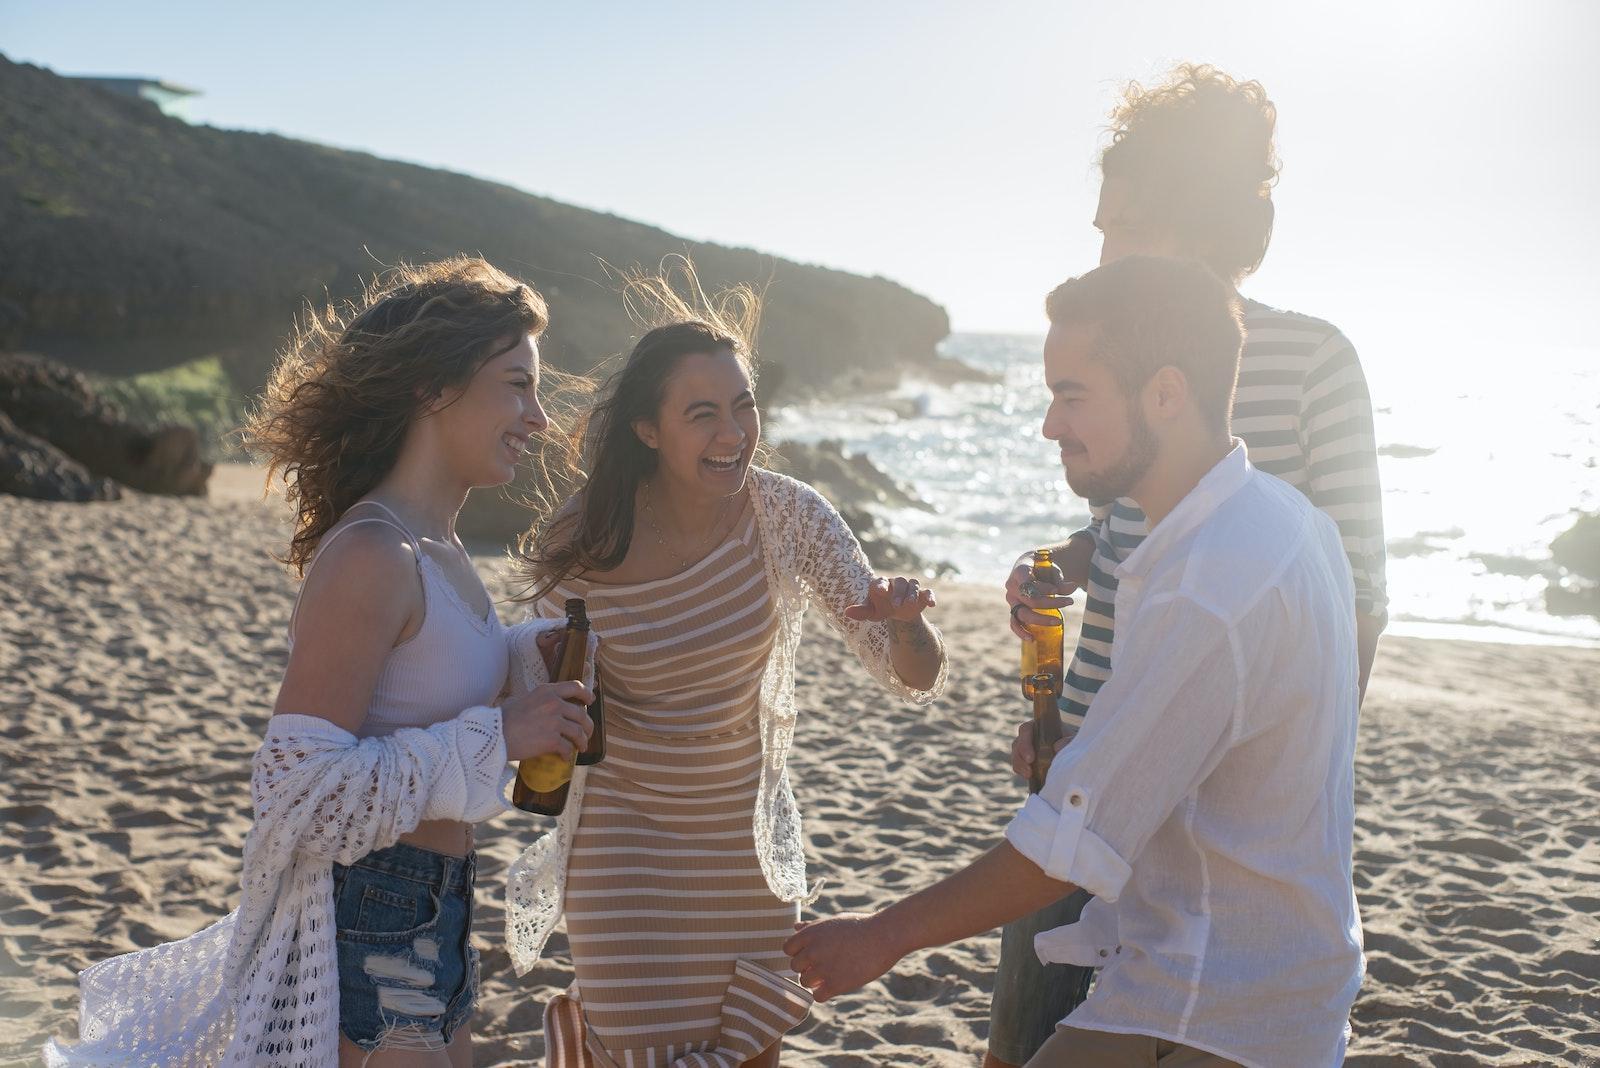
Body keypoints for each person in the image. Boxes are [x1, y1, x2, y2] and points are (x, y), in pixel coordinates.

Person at [785, 256, 1365, 1068]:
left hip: (1218, 1008)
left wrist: (880, 937)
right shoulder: (1287, 521)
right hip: (1250, 981)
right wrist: (1092, 751)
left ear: (1165, 393)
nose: (1050, 425)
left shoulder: (1208, 583)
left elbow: (1070, 845)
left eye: (1072, 394)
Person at [45, 258, 595, 1067]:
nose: (539, 418)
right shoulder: (373, 552)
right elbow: (295, 790)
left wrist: (523, 655)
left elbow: (423, 683)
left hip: (439, 913)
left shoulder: (438, 549)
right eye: (518, 384)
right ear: (432, 387)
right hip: (369, 915)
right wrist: (497, 737)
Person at [988, 63, 1388, 1068]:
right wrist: (1069, 563)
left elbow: (1354, 599)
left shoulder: (1312, 362)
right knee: (1023, 1040)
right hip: (1086, 770)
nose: (1100, 247)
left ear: (1188, 222)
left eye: (1117, 226)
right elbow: (1138, 530)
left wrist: (1278, 793)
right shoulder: (1122, 357)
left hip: (1210, 825)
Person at [507, 265, 949, 1068]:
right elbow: (546, 694)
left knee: (748, 1051)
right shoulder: (584, 540)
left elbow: (909, 672)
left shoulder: (786, 514)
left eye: (743, 407)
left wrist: (906, 622)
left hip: (740, 847)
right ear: (649, 430)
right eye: (702, 414)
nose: (732, 433)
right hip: (625, 843)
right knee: (635, 1047)